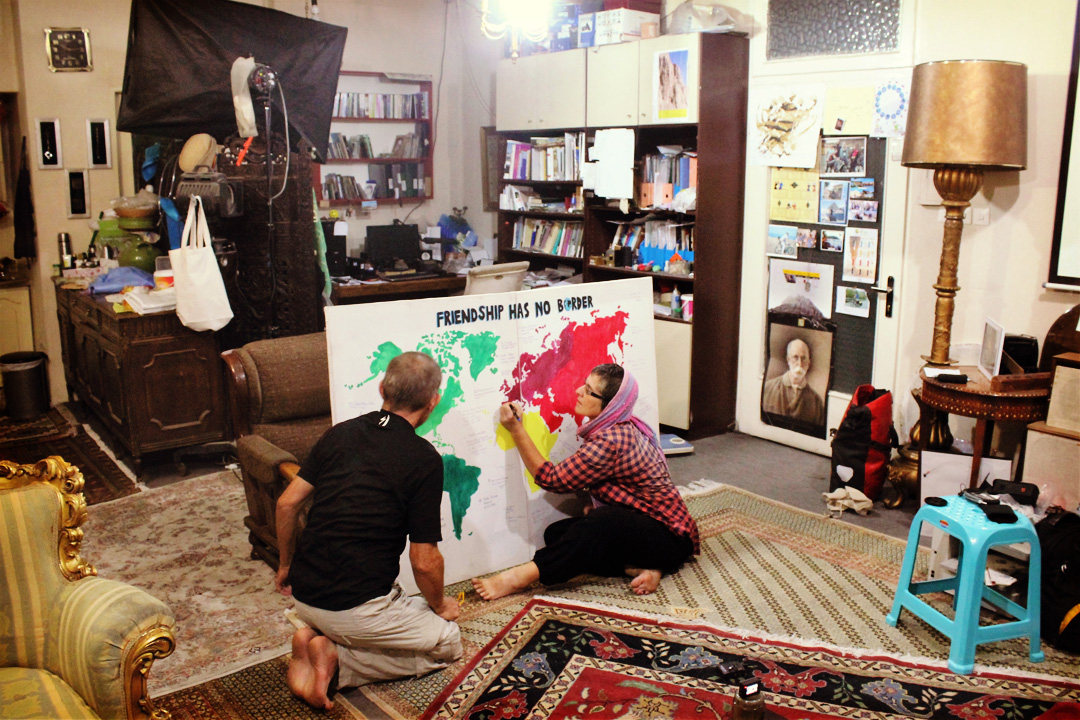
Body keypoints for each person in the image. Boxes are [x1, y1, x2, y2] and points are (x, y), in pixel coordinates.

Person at [275, 351, 462, 710]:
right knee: (447, 641)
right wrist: (440, 606)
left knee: (410, 603)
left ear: (382, 389)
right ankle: (339, 663)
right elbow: (424, 561)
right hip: (354, 609)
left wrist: (286, 566)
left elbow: (286, 504)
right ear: (433, 402)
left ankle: (317, 636)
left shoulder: (339, 433)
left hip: (304, 596)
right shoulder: (424, 458)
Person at [471, 364, 699, 601]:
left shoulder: (610, 439)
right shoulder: (617, 424)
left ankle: (519, 577)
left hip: (671, 537)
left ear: (609, 405)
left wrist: (516, 429)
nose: (579, 391)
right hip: (645, 528)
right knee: (557, 534)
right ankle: (641, 567)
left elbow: (551, 479)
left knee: (602, 523)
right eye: (584, 384)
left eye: (589, 391)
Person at [762, 338, 825, 425]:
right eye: (795, 357)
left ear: (808, 363)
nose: (800, 364)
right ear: (788, 360)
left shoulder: (816, 402)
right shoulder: (767, 388)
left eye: (803, 358)